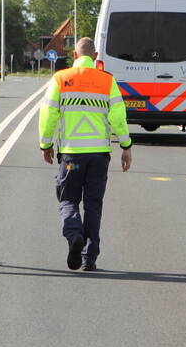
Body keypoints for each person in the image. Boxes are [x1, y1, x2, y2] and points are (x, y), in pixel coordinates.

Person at [38, 37, 133, 271]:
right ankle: (89, 258)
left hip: (71, 153)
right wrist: (126, 145)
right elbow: (118, 118)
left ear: (74, 55)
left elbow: (48, 114)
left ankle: (73, 234)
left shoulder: (61, 78)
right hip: (99, 154)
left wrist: (45, 144)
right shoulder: (107, 81)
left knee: (68, 199)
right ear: (96, 57)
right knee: (93, 205)